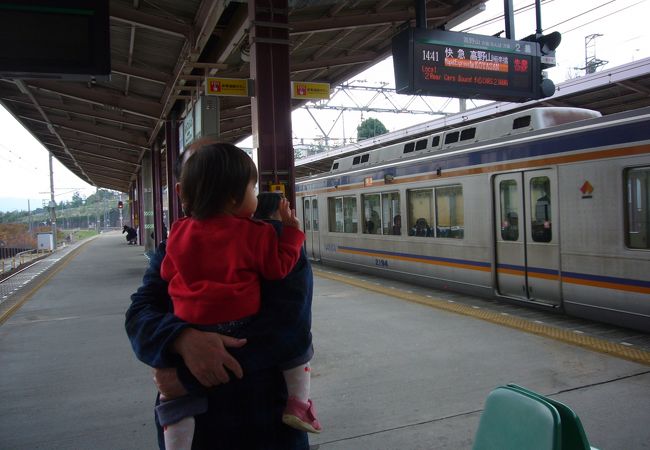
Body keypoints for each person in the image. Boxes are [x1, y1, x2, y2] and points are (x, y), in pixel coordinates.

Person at [125, 138, 311, 450]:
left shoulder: (176, 243)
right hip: (250, 420)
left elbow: (288, 327)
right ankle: (300, 402)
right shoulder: (272, 241)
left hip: (264, 425)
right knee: (301, 359)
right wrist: (180, 338)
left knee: (174, 404)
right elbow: (138, 315)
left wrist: (183, 375)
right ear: (183, 192)